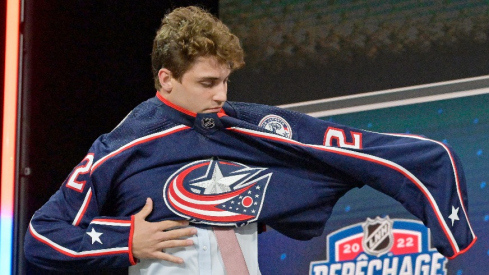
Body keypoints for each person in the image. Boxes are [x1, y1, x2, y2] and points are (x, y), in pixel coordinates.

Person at [25, 6, 476, 275]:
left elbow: (357, 149)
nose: (220, 95)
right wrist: (126, 241)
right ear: (166, 79)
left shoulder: (250, 126)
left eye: (225, 81)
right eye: (207, 83)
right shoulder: (120, 146)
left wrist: (435, 179)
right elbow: (42, 237)